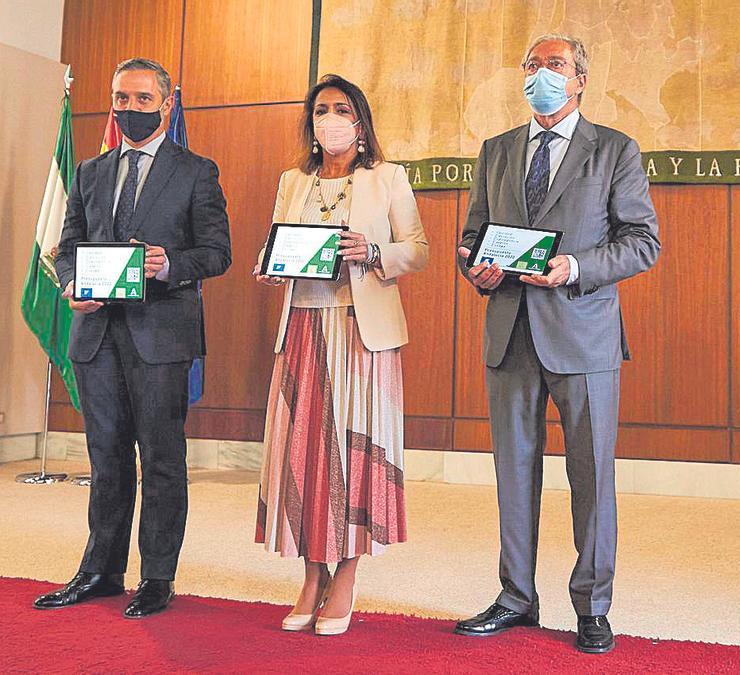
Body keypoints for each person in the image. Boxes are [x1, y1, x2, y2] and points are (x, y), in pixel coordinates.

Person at [454, 34, 660, 654]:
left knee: (590, 476)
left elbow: (641, 241)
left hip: (583, 333)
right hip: (510, 331)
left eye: (555, 65)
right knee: (512, 474)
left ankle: (592, 606)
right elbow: (474, 238)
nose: (541, 74)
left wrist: (572, 268)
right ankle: (516, 597)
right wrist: (476, 269)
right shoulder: (496, 151)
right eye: (533, 65)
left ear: (579, 81)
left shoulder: (615, 149)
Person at [35, 58, 232, 618]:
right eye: (121, 98)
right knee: (107, 459)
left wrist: (169, 263)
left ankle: (157, 578)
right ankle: (100, 570)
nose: (130, 109)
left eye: (143, 100)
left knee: (162, 459)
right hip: (96, 335)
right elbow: (68, 244)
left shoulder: (196, 171)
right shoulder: (90, 172)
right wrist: (72, 281)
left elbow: (217, 253)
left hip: (161, 338)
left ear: (167, 105)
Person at [253, 74, 428, 636]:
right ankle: (311, 574)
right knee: (303, 453)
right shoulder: (291, 181)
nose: (331, 118)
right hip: (302, 325)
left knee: (351, 456)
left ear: (360, 120)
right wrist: (268, 261)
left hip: (361, 330)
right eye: (322, 109)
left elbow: (417, 251)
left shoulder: (388, 178)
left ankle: (346, 575)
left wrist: (373, 251)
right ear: (312, 121)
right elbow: (278, 239)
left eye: (342, 109)